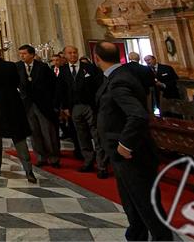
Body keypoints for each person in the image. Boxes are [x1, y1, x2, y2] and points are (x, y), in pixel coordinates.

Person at [94, 42, 174, 241]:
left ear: (96, 58)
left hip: (132, 153)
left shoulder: (119, 80)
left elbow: (137, 115)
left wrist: (125, 144)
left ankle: (162, 238)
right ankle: (136, 234)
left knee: (145, 202)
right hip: (121, 153)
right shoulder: (119, 75)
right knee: (131, 200)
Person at [0, 44, 37, 183]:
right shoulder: (11, 66)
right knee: (19, 136)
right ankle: (28, 170)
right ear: (0, 53)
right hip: (13, 104)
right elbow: (17, 82)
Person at [59, 45, 108, 178]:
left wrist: (97, 104)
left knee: (96, 134)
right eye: (70, 53)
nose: (73, 55)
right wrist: (65, 107)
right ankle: (88, 160)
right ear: (65, 55)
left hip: (90, 105)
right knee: (81, 135)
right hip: (74, 107)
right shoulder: (62, 70)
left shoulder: (90, 68)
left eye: (75, 52)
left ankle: (102, 165)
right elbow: (62, 90)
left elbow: (98, 86)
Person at [16, 44, 61, 167]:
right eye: (20, 54)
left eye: (24, 54)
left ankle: (54, 158)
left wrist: (54, 103)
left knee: (48, 132)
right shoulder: (17, 67)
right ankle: (41, 157)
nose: (22, 56)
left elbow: (53, 85)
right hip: (27, 105)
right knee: (34, 133)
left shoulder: (43, 67)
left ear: (32, 54)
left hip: (43, 104)